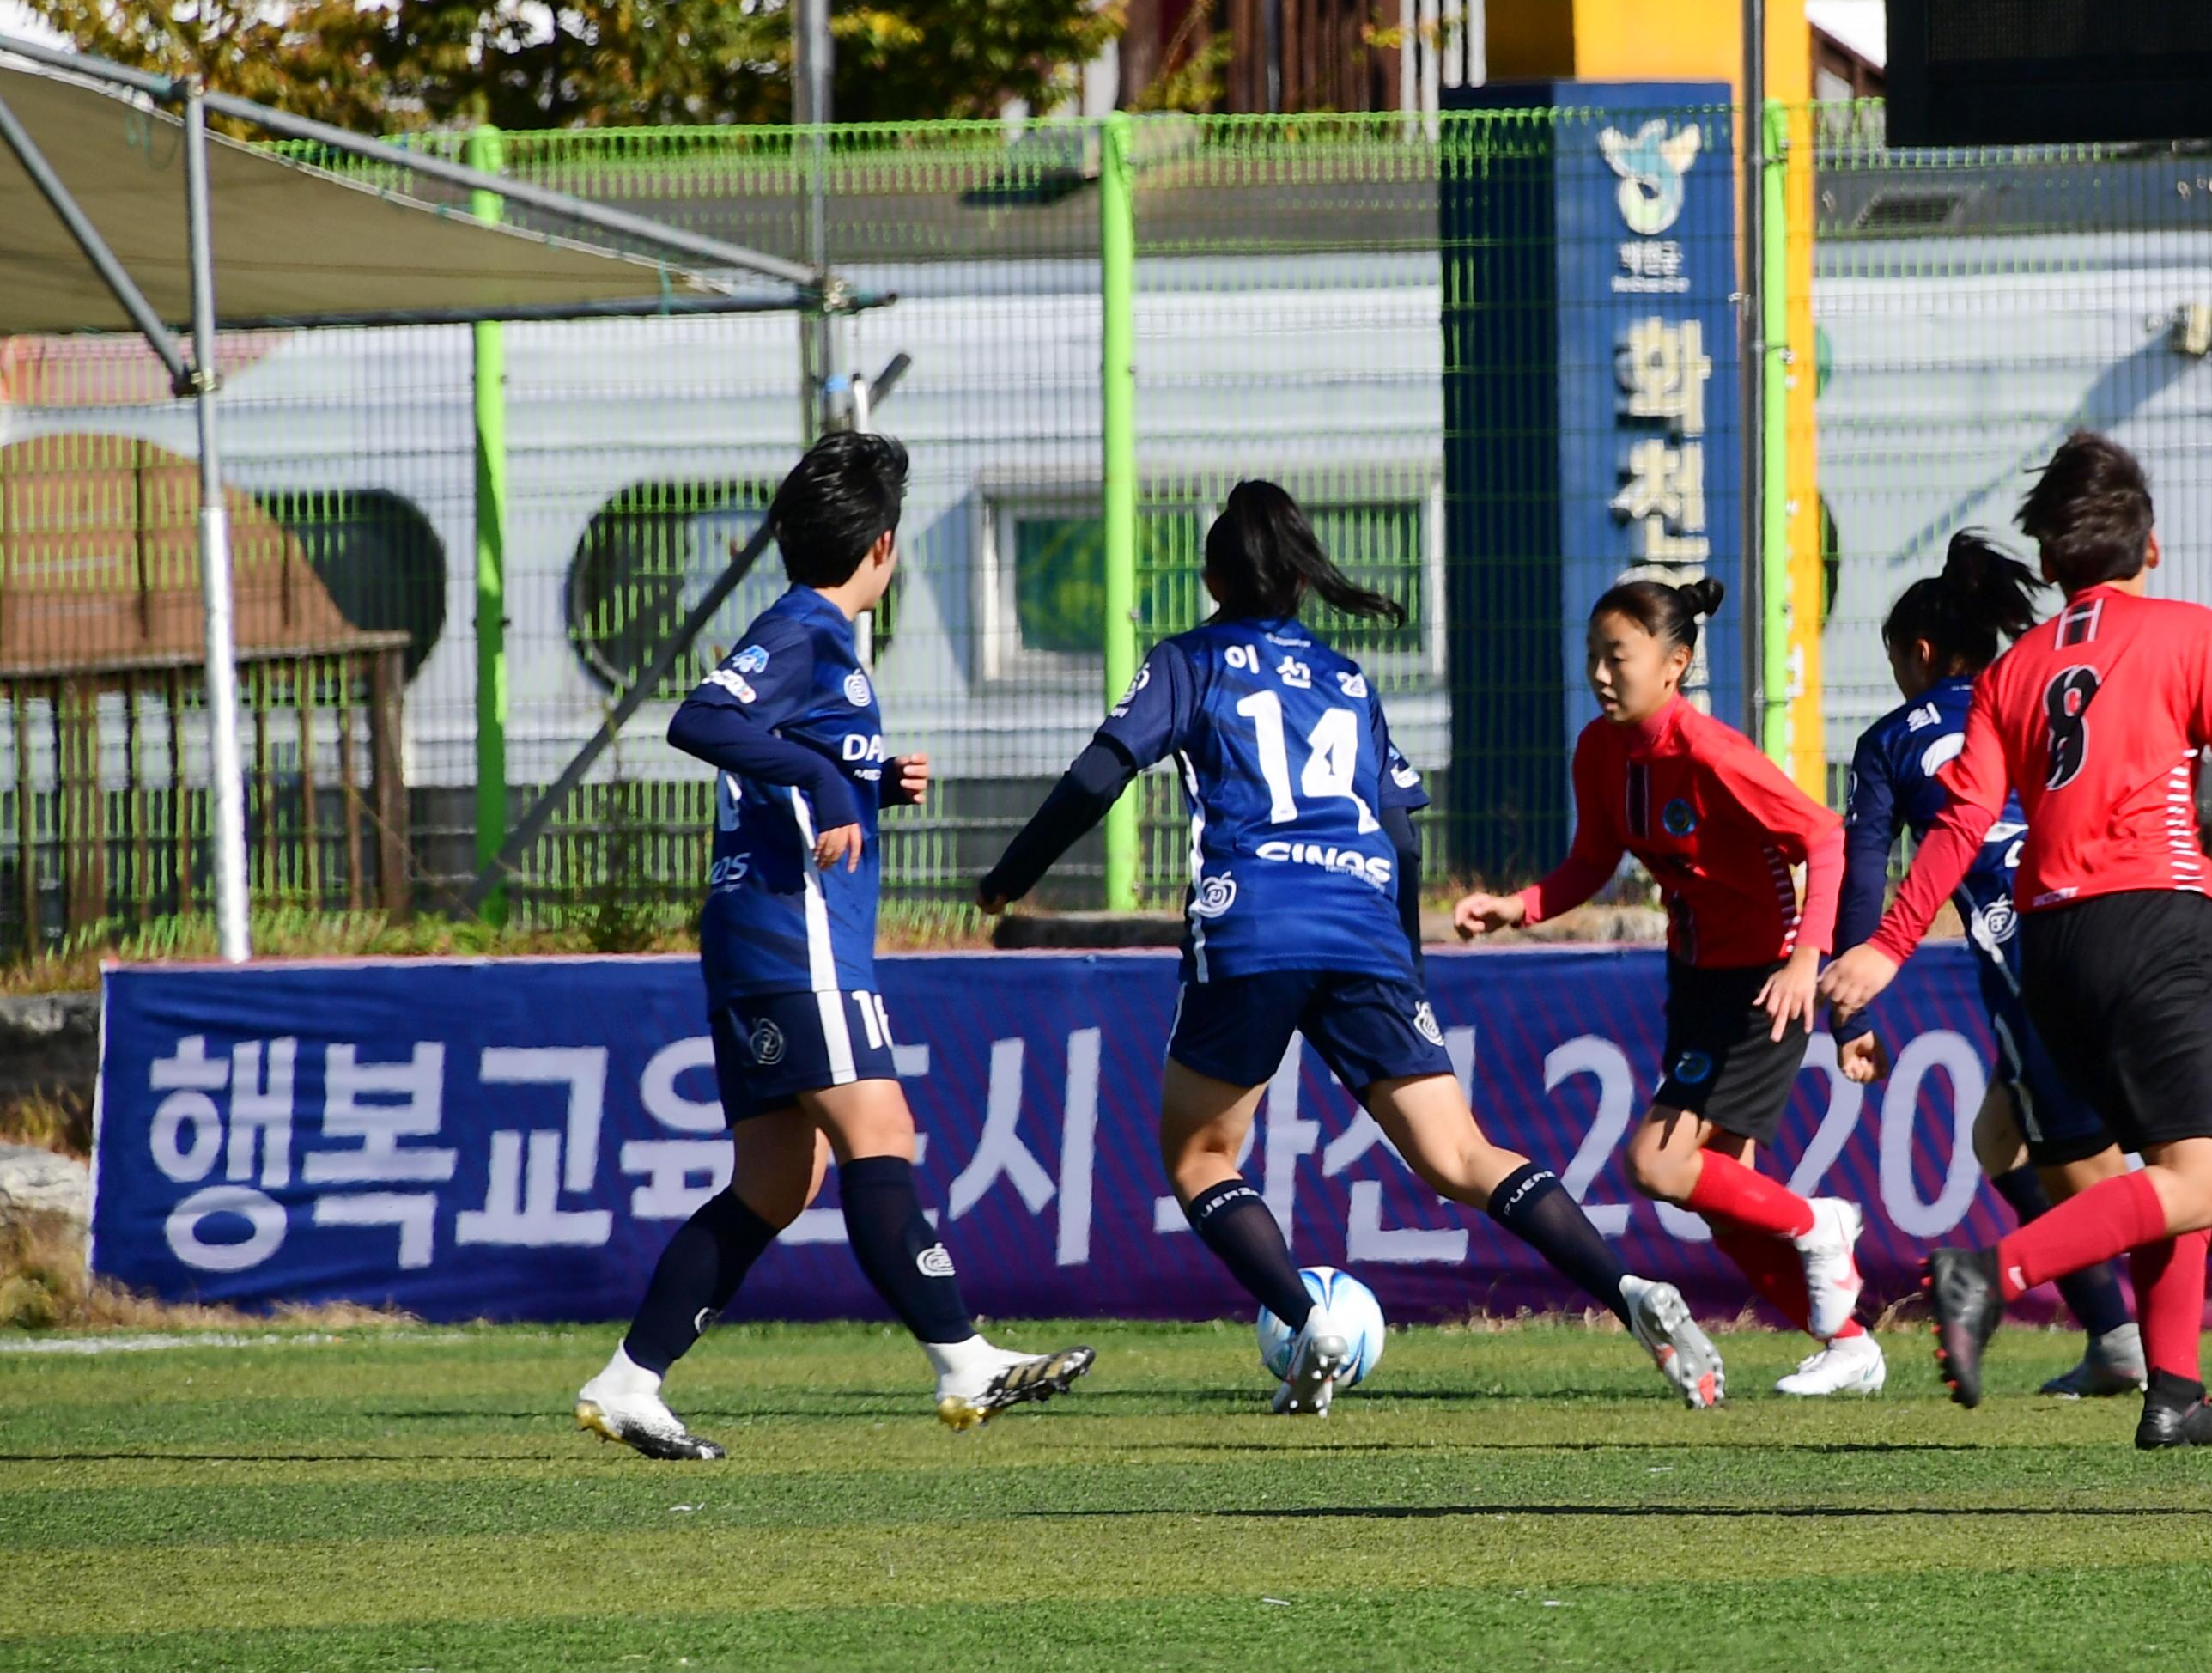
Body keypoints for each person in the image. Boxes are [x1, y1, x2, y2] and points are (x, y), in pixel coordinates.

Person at [977, 482, 1724, 1415]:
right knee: (1461, 1154)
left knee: (1201, 1154)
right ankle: (1630, 1291)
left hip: (1254, 917)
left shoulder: (1190, 659)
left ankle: (1306, 1318)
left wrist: (1008, 875)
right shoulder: (1344, 677)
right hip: (1365, 919)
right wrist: (1401, 960)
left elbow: (1101, 772)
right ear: (1300, 580)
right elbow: (1404, 830)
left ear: (1211, 576)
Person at [1821, 433, 2212, 1447]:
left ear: (2052, 563)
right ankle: (1991, 1272)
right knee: (2202, 1171)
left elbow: (1958, 825)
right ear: (2149, 550)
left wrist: (1889, 946)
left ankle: (2176, 1390)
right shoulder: (2190, 633)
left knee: (2163, 1159)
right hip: (2150, 918)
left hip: (2046, 945)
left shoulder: (2011, 671)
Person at [575, 433, 1092, 1460]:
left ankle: (629, 1379)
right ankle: (962, 1356)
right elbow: (699, 719)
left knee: (776, 1181)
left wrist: (865, 775)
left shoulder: (816, 639)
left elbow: (787, 749)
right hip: (793, 930)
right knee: (880, 1131)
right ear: (885, 547)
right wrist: (821, 784)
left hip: (762, 933)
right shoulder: (806, 630)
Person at [1454, 577, 1873, 1396]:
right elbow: (1590, 862)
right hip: (1697, 977)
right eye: (1593, 659)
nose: (1602, 675)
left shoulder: (1709, 751)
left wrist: (1805, 961)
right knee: (1721, 1198)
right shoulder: (1600, 750)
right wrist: (1520, 906)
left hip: (1763, 982)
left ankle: (1821, 1225)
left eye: (1619, 657)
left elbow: (1826, 837)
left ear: (1674, 665)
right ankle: (1848, 1340)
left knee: (1655, 1163)